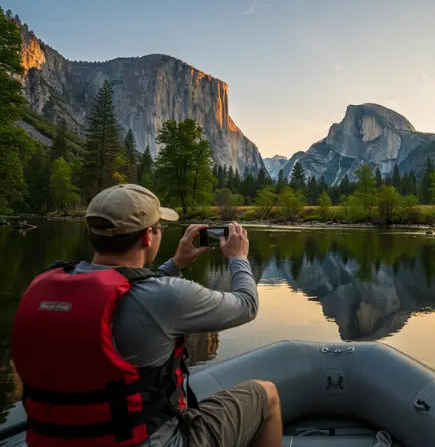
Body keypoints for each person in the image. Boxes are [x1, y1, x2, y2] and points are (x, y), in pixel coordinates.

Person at [11, 184, 282, 447]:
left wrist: (176, 264)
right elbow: (247, 305)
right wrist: (239, 257)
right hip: (149, 441)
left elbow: (129, 290)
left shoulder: (43, 283)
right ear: (147, 237)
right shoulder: (165, 295)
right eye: (159, 227)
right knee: (267, 394)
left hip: (51, 439)